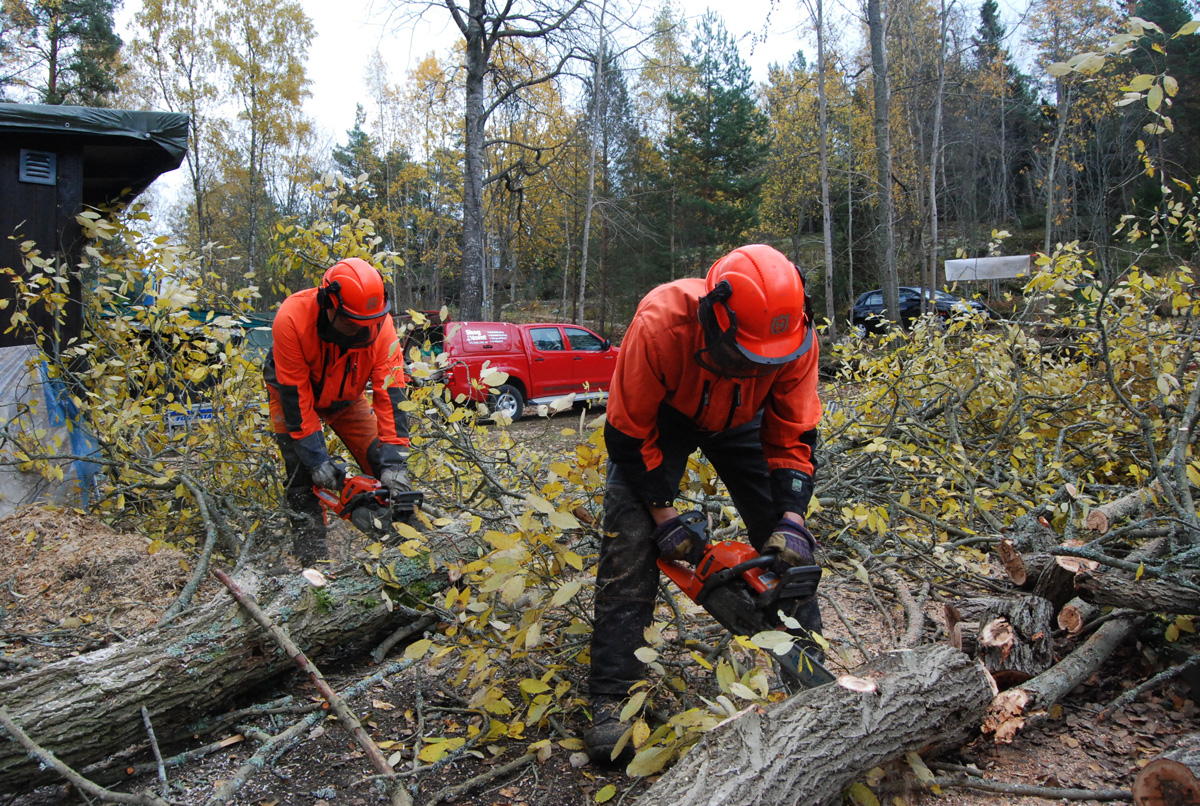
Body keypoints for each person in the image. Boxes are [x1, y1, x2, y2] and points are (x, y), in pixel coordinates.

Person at [586, 243, 824, 761]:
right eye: (743, 354)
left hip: (745, 420)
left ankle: (814, 675)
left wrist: (791, 518)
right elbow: (628, 433)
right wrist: (664, 517)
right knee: (629, 541)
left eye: (764, 358)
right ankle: (613, 696)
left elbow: (795, 435)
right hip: (665, 419)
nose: (750, 365)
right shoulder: (660, 323)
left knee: (789, 552)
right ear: (714, 317)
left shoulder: (793, 339)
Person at [263, 257, 413, 566]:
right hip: (293, 395)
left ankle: (409, 546)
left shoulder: (380, 327)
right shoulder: (291, 318)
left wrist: (395, 461)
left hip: (347, 397)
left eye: (367, 324)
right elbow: (295, 395)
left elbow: (392, 393)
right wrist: (316, 457)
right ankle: (312, 561)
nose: (361, 332)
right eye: (352, 323)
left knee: (381, 462)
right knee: (301, 474)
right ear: (328, 303)